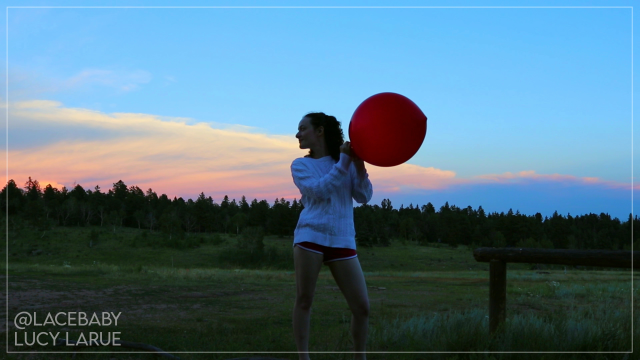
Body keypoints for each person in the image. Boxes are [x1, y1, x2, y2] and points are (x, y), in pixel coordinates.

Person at [291, 112, 373, 360]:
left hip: (342, 238)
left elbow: (364, 196)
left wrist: (358, 164)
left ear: (320, 131)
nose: (298, 134)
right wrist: (345, 162)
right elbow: (319, 191)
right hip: (310, 236)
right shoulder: (301, 165)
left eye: (303, 128)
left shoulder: (346, 162)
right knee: (304, 300)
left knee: (362, 308)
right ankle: (303, 357)